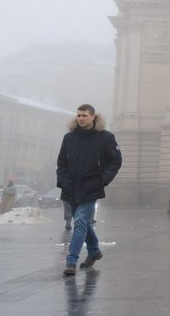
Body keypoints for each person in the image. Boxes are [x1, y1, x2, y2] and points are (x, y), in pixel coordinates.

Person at [57, 104, 122, 277]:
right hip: (70, 187)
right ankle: (94, 251)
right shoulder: (69, 138)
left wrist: (102, 180)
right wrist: (63, 181)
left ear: (93, 117)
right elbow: (61, 163)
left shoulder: (106, 137)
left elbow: (115, 161)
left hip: (91, 186)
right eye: (78, 115)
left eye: (84, 115)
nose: (80, 118)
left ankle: (71, 261)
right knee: (83, 222)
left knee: (79, 221)